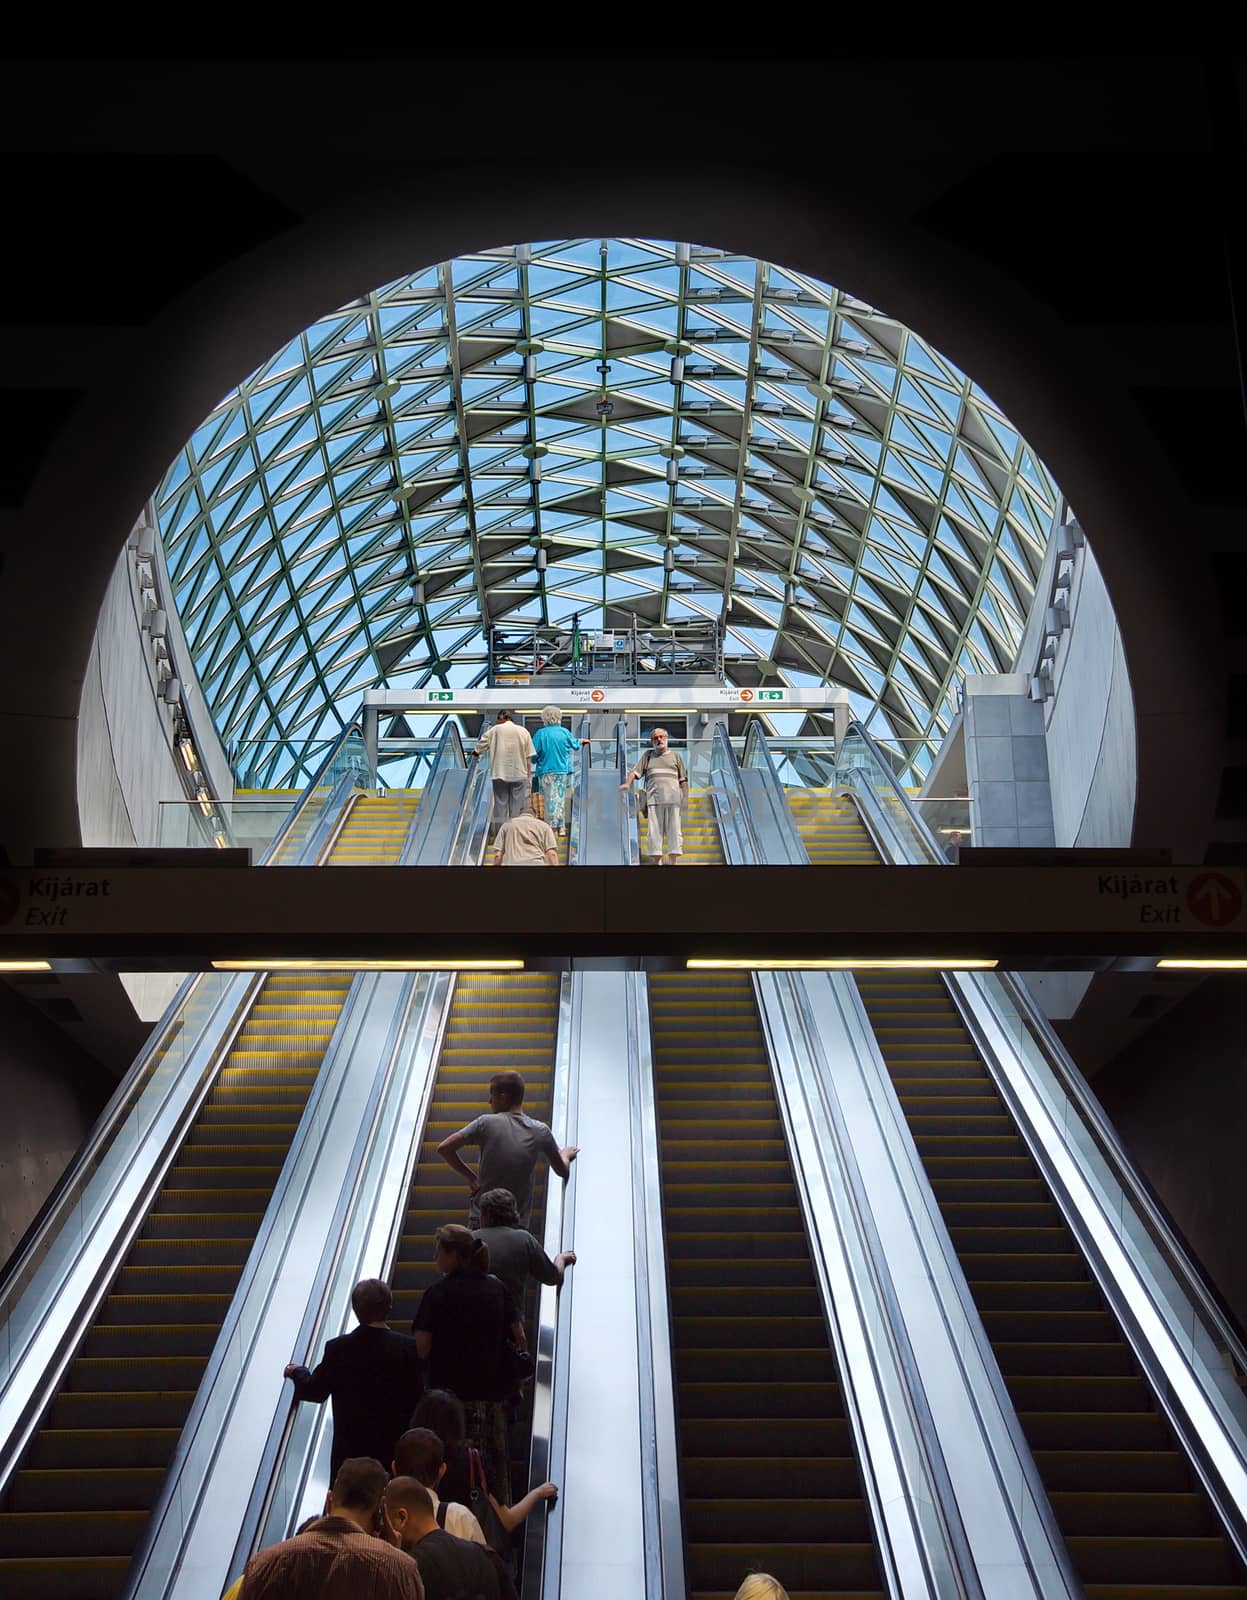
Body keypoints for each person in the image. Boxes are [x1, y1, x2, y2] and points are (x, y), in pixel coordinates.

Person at [411, 1225, 525, 1500]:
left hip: (448, 1400)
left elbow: (422, 1349)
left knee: (447, 1462)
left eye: (438, 1252)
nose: (434, 1258)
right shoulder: (497, 1288)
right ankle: (495, 1522)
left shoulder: (437, 1293)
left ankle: (447, 1519)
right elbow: (519, 1338)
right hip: (491, 1398)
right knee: (492, 1465)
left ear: (453, 1256)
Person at [282, 1277, 424, 1477]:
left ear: (355, 1310)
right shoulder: (407, 1349)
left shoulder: (338, 1348)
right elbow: (417, 1398)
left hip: (349, 1454)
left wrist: (297, 1371)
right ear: (389, 1307)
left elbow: (315, 1391)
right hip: (392, 1453)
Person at [236, 1456, 424, 1599]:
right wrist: (394, 1552)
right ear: (380, 1510)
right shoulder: (400, 1569)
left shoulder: (266, 1562)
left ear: (329, 1501)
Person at [410, 1389, 559, 1543]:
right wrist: (538, 1493)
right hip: (467, 1554)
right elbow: (507, 1520)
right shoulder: (472, 1461)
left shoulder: (410, 1460)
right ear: (457, 1424)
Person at [437, 1069, 578, 1229]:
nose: (490, 1101)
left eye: (492, 1095)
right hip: (515, 1224)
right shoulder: (540, 1130)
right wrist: (565, 1155)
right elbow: (561, 1170)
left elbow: (444, 1148)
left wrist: (471, 1178)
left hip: (481, 1220)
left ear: (503, 1097)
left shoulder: (485, 1123)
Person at [382, 1478, 505, 1600]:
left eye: (383, 1524)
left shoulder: (409, 1571)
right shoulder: (486, 1556)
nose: (379, 1535)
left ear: (402, 1517)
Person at [473, 1186, 576, 1307]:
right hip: (508, 1319)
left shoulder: (469, 1239)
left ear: (486, 1215)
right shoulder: (524, 1239)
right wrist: (561, 1259)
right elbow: (552, 1277)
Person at [392, 1426, 487, 1547]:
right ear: (441, 1470)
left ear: (394, 1468)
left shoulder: (381, 1519)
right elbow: (484, 1564)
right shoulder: (459, 1518)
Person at [620, 726, 688, 865]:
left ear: (666, 738)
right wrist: (627, 783)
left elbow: (683, 780)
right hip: (653, 800)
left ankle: (672, 862)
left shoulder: (676, 756)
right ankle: (658, 862)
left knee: (674, 831)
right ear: (652, 741)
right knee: (654, 832)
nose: (659, 740)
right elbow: (634, 772)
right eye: (655, 738)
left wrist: (686, 797)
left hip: (673, 800)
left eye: (661, 737)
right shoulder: (648, 755)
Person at [473, 710, 535, 824]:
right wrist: (529, 775)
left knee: (500, 804)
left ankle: (501, 833)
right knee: (517, 806)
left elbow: (481, 745)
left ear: (500, 718)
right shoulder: (523, 731)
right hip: (519, 774)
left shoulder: (494, 730)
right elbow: (528, 756)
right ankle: (514, 831)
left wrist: (476, 752)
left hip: (499, 774)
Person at [531, 705, 579, 834]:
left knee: (548, 799)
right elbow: (575, 744)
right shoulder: (564, 732)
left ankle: (551, 827)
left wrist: (534, 761)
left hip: (545, 769)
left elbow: (533, 754)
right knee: (559, 797)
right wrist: (582, 741)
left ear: (545, 718)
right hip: (561, 770)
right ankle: (561, 826)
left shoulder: (541, 733)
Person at [492, 807, 558, 866]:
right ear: (535, 815)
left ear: (519, 815)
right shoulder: (544, 826)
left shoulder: (506, 825)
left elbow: (498, 855)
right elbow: (552, 854)